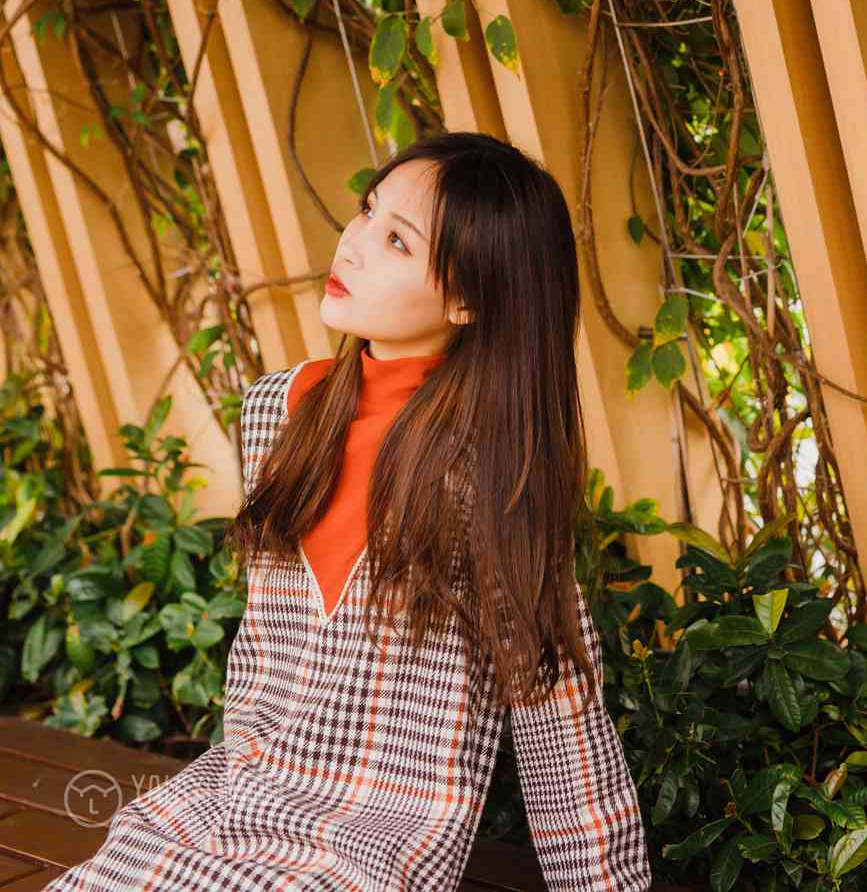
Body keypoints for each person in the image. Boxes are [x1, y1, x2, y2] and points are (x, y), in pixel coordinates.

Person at [45, 130, 653, 892]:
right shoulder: (276, 412)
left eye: (398, 240)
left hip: (371, 847)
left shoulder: (495, 477)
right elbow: (264, 649)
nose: (354, 244)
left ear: (468, 300)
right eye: (368, 210)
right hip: (226, 806)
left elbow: (558, 723)